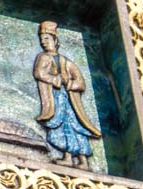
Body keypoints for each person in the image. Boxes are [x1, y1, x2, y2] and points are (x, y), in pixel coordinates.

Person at [33, 21, 100, 168]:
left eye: (47, 39)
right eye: (41, 40)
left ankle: (83, 160)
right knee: (61, 126)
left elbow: (80, 81)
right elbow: (39, 73)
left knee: (76, 127)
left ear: (55, 40)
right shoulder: (43, 57)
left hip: (70, 101)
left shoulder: (65, 61)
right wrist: (56, 79)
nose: (43, 42)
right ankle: (68, 157)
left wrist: (69, 82)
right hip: (55, 99)